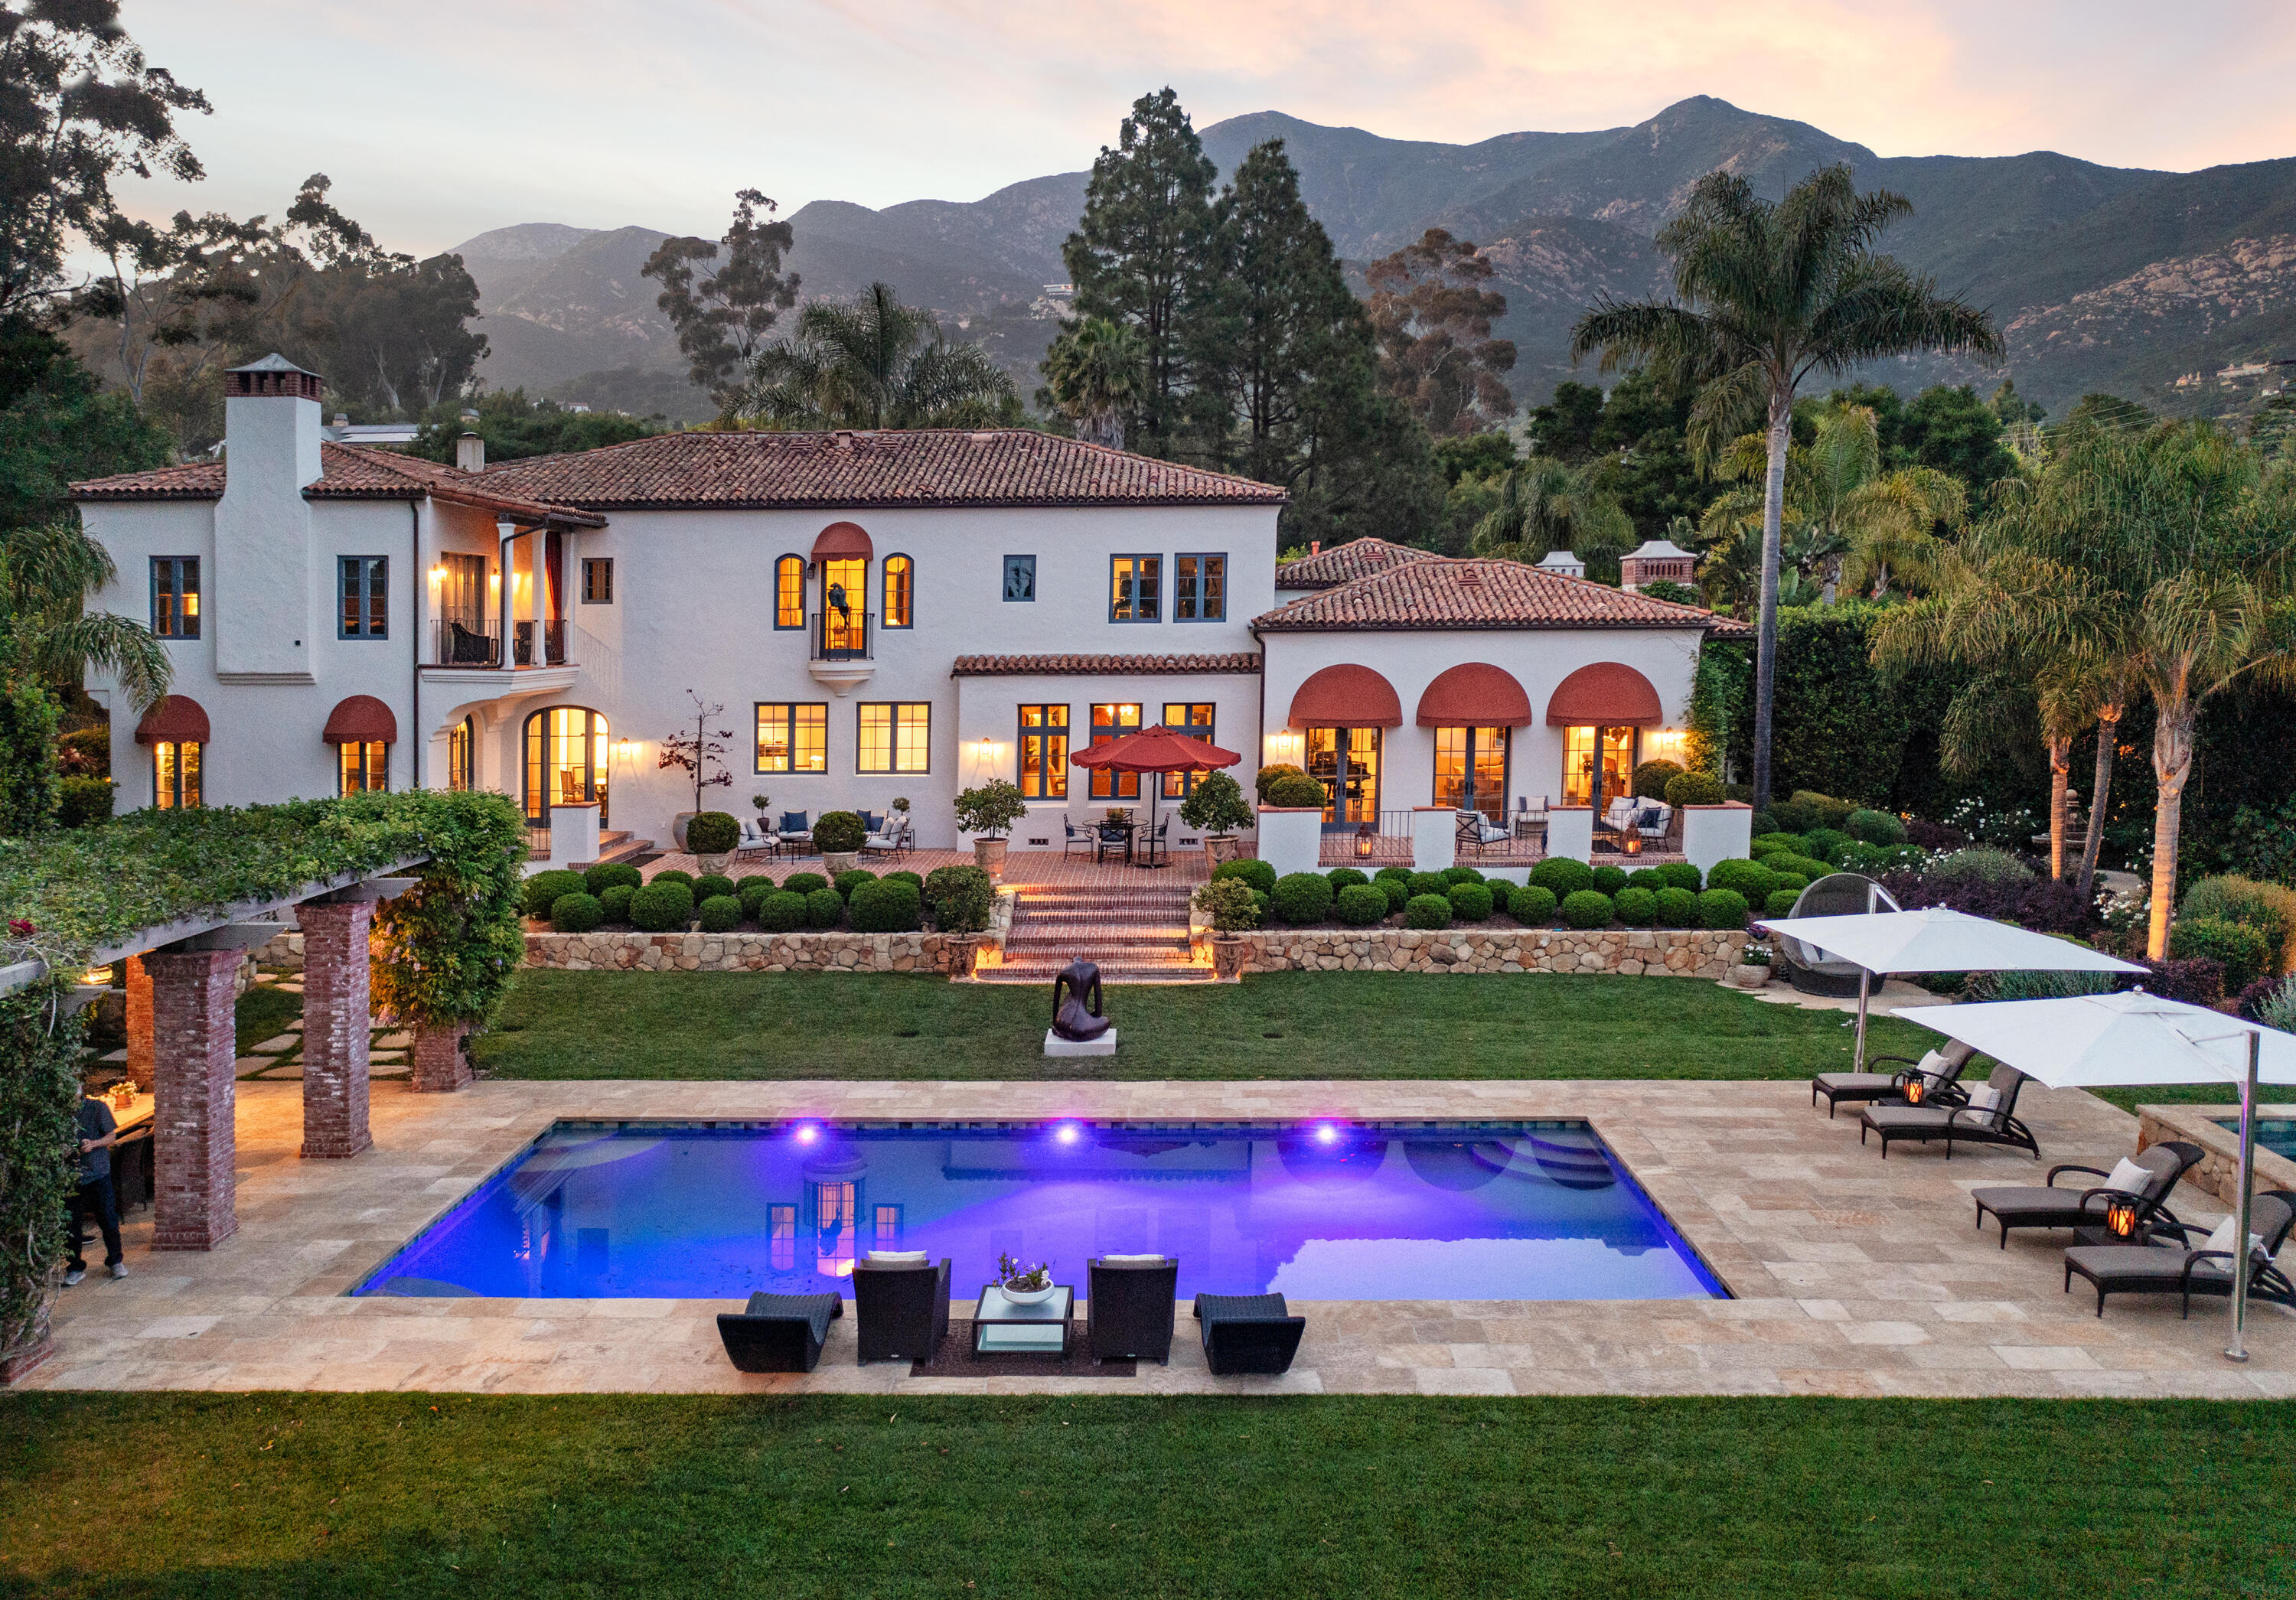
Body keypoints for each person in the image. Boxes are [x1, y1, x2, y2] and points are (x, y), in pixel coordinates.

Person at [65, 1087, 126, 1286]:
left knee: (108, 1219)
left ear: (79, 1090)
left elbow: (112, 1137)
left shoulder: (97, 1108)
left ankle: (115, 1261)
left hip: (98, 1173)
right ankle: (75, 1268)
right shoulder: (59, 1113)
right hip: (71, 1176)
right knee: (71, 1225)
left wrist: (93, 1144)